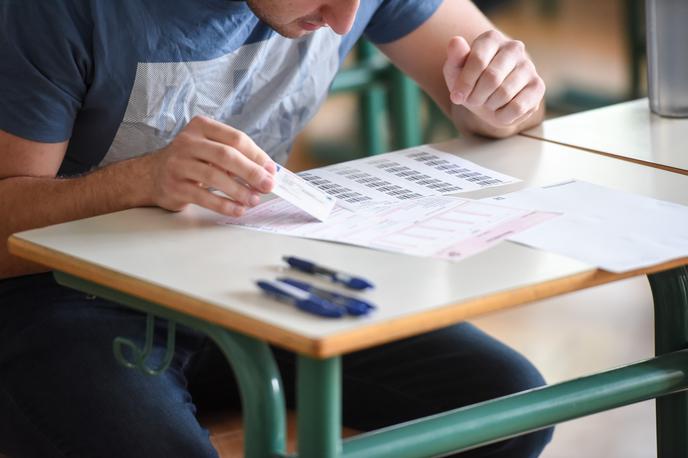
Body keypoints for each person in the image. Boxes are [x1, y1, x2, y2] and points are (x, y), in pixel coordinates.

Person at [0, 0, 551, 456]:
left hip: (250, 274)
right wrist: (136, 183)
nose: (343, 20)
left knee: (511, 405)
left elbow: (508, 114)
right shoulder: (59, 10)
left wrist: (501, 101)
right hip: (60, 298)